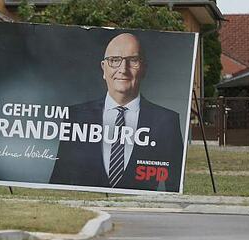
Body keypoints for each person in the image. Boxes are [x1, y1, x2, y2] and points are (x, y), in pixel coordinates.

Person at [49, 32, 184, 192]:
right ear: (103, 68)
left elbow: (175, 187)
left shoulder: (167, 121)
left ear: (144, 69)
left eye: (133, 60)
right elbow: (58, 183)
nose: (123, 69)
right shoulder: (75, 116)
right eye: (114, 60)